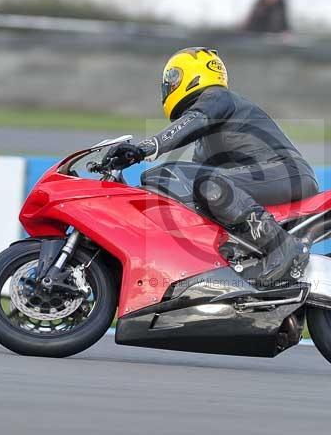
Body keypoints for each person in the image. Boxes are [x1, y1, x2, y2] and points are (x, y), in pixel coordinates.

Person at [103, 47, 318, 285]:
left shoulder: (217, 98)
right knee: (184, 186)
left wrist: (144, 148)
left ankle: (282, 246)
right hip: (267, 180)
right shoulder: (205, 142)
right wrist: (129, 195)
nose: (168, 86)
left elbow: (192, 122)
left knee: (206, 183)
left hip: (284, 172)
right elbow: (182, 190)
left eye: (173, 78)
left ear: (193, 74)